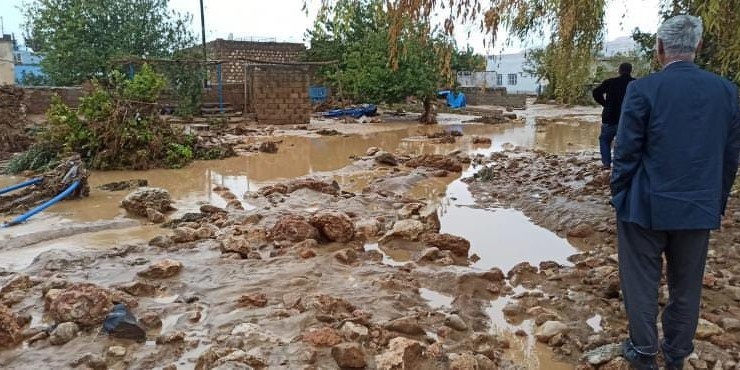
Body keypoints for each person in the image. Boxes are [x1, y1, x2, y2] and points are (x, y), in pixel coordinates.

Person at [611, 15, 740, 370]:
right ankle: (677, 355)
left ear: (660, 48)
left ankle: (644, 353)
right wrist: (716, 201)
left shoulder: (644, 89)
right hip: (698, 206)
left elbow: (626, 152)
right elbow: (731, 157)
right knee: (687, 286)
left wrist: (619, 196)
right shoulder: (727, 91)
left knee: (641, 284)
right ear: (698, 46)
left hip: (644, 207)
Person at [592, 62, 635, 168]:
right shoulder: (635, 84)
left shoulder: (610, 82)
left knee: (605, 140)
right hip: (628, 119)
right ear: (630, 71)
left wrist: (605, 104)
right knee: (626, 143)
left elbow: (596, 92)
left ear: (619, 70)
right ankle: (622, 164)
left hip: (610, 118)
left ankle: (606, 163)